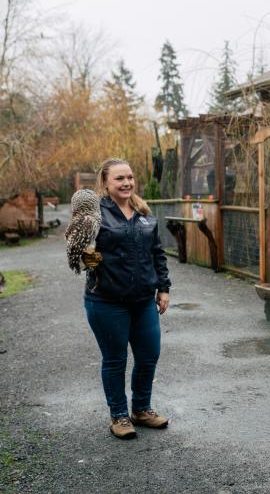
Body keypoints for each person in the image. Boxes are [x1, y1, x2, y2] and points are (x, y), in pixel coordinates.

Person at [82, 158, 172, 439]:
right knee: (115, 359)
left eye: (130, 177)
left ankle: (142, 409)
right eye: (119, 178)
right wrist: (91, 259)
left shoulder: (143, 210)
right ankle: (119, 416)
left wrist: (164, 287)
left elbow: (157, 252)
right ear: (106, 183)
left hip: (144, 300)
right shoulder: (95, 214)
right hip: (106, 302)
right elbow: (83, 254)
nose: (126, 183)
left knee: (148, 356)